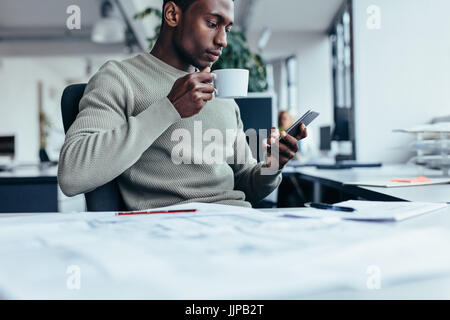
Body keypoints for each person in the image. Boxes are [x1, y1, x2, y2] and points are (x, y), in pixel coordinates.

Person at [58, 0, 307, 210]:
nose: (223, 40)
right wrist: (169, 108)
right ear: (172, 15)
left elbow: (246, 183)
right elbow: (73, 175)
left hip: (236, 223)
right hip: (171, 233)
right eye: (212, 24)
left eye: (227, 29)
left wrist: (273, 164)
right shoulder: (119, 79)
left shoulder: (223, 97)